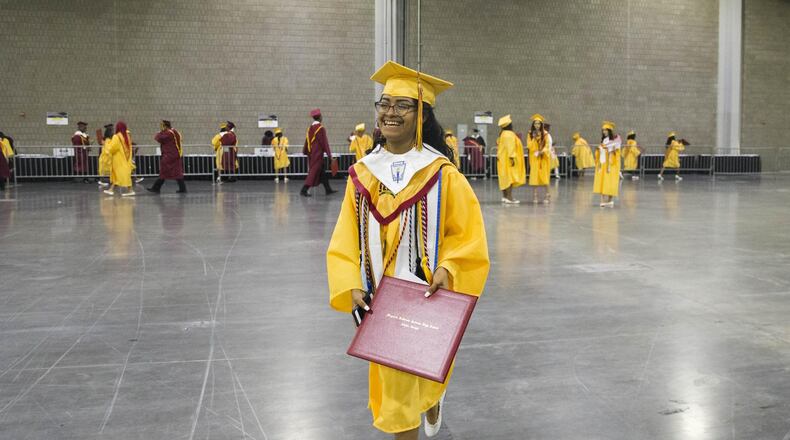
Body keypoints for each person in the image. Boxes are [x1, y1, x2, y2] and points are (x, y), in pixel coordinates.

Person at [327, 60, 489, 440]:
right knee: (398, 388)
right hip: (379, 297)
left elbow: (466, 235)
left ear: (423, 115)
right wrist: (350, 283)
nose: (390, 112)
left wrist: (449, 268)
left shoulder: (441, 173)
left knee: (410, 384)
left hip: (423, 293)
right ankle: (426, 400)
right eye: (384, 103)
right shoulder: (364, 174)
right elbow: (345, 237)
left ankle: (430, 397)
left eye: (402, 105)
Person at [300, 109, 336, 197]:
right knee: (313, 172)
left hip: (312, 153)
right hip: (317, 154)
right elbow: (324, 143)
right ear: (320, 117)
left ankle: (328, 189)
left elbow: (307, 141)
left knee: (322, 172)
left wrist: (305, 151)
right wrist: (329, 155)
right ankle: (304, 190)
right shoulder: (320, 128)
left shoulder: (310, 128)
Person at [147, 120, 186, 193]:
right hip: (176, 154)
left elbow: (158, 138)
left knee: (164, 172)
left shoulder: (168, 133)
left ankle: (156, 188)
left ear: (165, 126)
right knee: (177, 172)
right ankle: (183, 188)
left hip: (169, 155)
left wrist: (159, 132)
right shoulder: (174, 131)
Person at [496, 114, 526, 203]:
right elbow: (510, 147)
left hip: (502, 159)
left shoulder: (503, 134)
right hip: (508, 159)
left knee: (504, 178)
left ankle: (505, 197)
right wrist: (512, 157)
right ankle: (509, 198)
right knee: (510, 178)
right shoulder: (509, 134)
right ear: (509, 125)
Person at [593, 121, 621, 207]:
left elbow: (616, 152)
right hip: (603, 163)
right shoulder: (604, 140)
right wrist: (599, 149)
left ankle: (609, 200)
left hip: (611, 164)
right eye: (603, 130)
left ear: (609, 131)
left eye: (605, 130)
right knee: (603, 181)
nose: (604, 132)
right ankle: (602, 200)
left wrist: (609, 149)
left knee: (610, 182)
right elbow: (602, 149)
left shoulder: (615, 140)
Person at [103, 121, 135, 197]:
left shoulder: (117, 137)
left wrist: (107, 143)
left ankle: (130, 190)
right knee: (119, 175)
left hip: (118, 160)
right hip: (125, 159)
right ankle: (111, 189)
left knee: (119, 175)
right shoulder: (127, 136)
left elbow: (112, 148)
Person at [527, 114, 552, 204]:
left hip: (543, 158)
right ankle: (535, 196)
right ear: (533, 124)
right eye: (535, 123)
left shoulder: (545, 134)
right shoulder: (530, 134)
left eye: (538, 124)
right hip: (534, 158)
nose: (537, 125)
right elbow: (529, 146)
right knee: (534, 177)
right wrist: (533, 138)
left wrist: (542, 151)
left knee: (544, 177)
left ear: (541, 124)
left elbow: (548, 145)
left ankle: (547, 195)